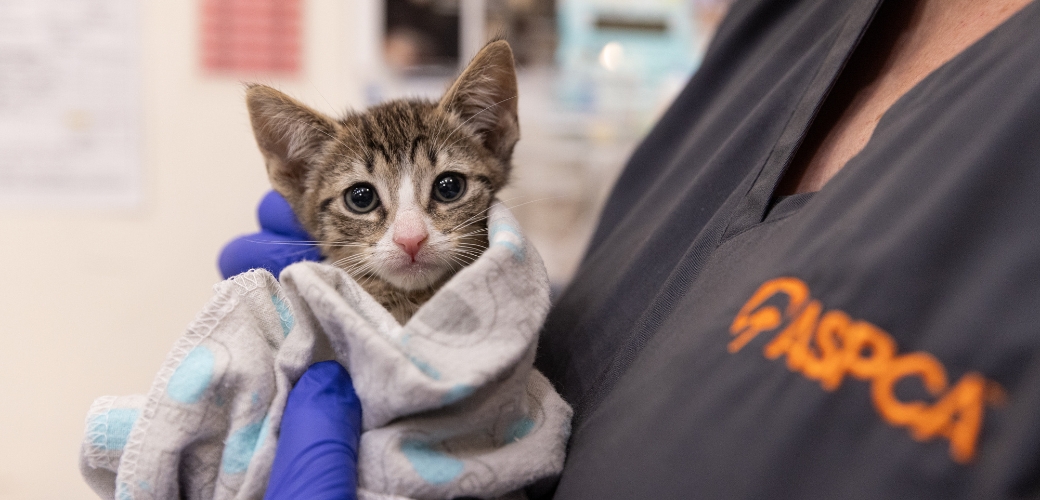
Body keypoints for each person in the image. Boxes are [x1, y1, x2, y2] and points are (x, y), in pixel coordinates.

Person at [223, 0, 1040, 497]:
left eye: (445, 189)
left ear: (496, 134)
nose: (407, 233)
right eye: (362, 200)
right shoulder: (786, 25)